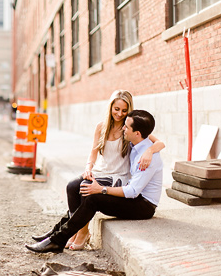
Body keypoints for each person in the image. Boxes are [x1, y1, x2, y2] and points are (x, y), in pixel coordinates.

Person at [37, 90, 164, 250]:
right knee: (72, 186)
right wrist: (88, 168)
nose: (119, 114)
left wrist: (150, 151)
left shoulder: (132, 129)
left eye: (124, 110)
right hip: (102, 171)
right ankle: (64, 233)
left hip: (119, 177)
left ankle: (75, 234)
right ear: (110, 107)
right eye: (116, 109)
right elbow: (93, 151)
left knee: (87, 191)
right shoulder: (105, 127)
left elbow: (155, 142)